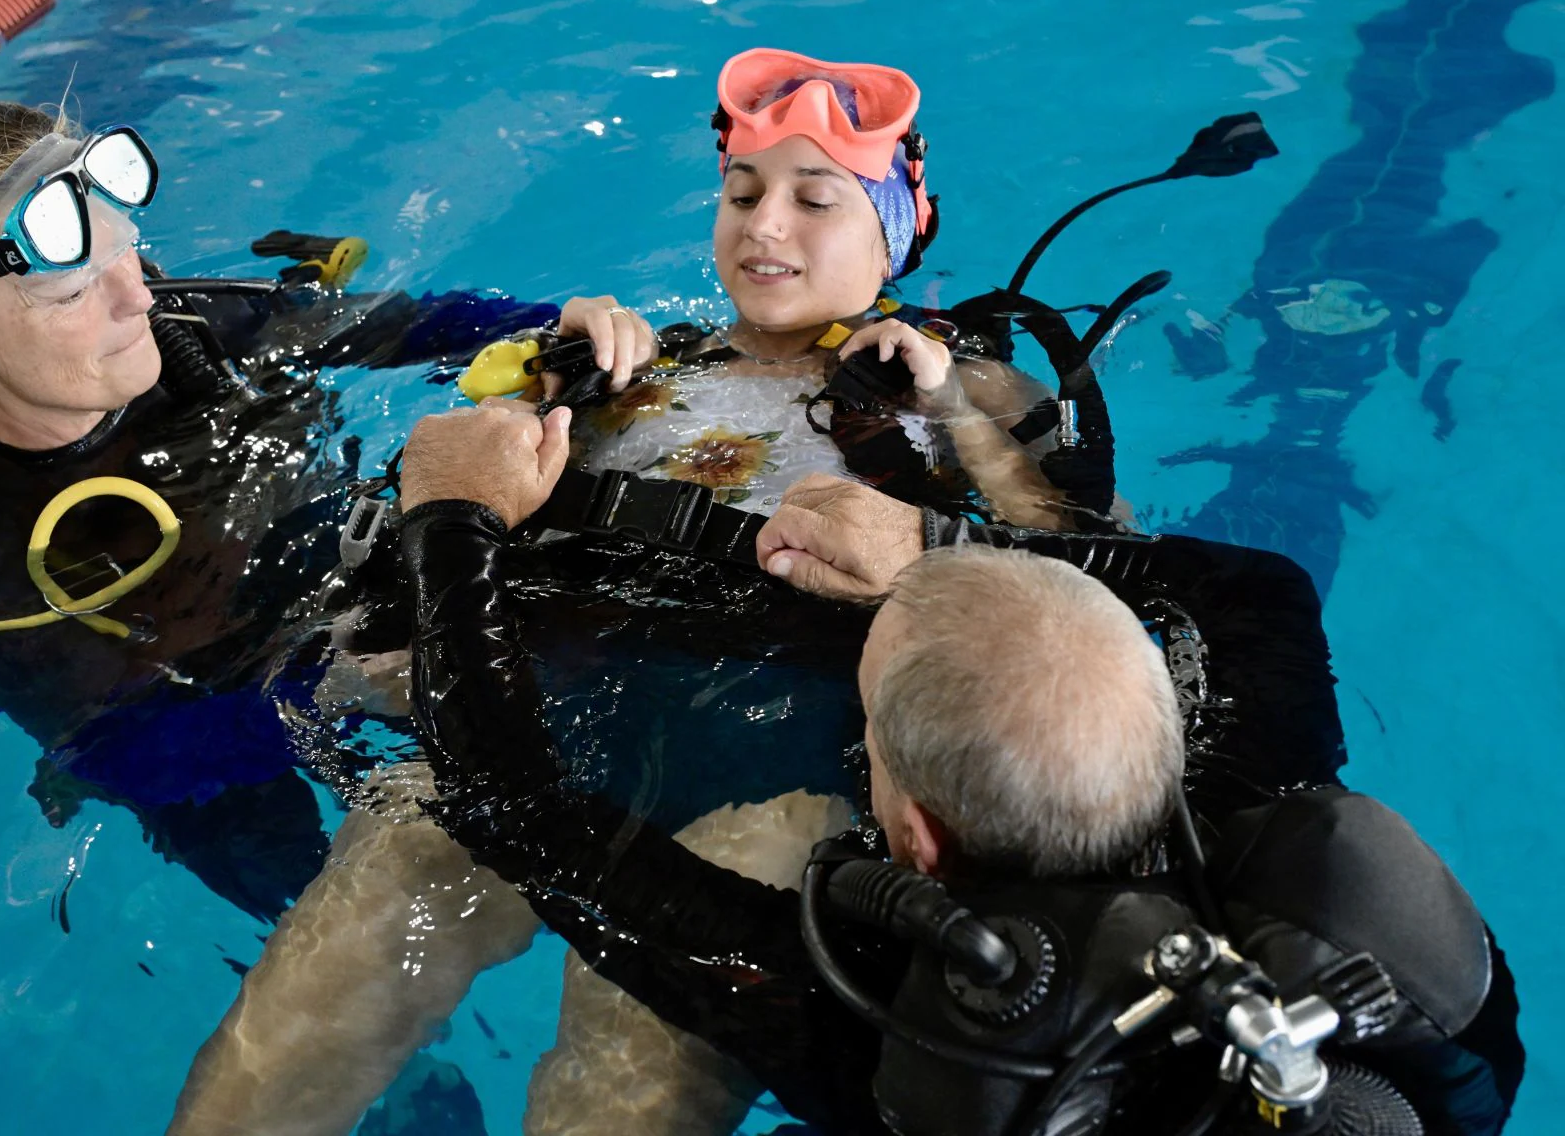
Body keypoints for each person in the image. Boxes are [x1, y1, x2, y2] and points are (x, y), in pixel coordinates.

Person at [168, 48, 1084, 1134]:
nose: (765, 225)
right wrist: (556, 377)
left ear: (897, 226)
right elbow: (469, 494)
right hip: (544, 717)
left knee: (617, 1080)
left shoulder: (962, 379)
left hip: (778, 760)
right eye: (742, 193)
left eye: (816, 198)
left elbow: (1079, 565)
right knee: (300, 1017)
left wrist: (958, 407)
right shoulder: (647, 360)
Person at [390, 402, 1525, 1135]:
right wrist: (933, 550)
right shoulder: (1263, 783)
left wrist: (450, 511)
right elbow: (1256, 590)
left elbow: (516, 810)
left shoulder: (902, 1021)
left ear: (916, 837)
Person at [0, 97, 558, 920]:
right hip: (189, 715)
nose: (137, 300)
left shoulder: (187, 334)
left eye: (129, 252)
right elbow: (131, 757)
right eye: (73, 293)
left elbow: (407, 325)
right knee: (317, 902)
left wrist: (562, 332)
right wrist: (351, 678)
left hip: (305, 610)